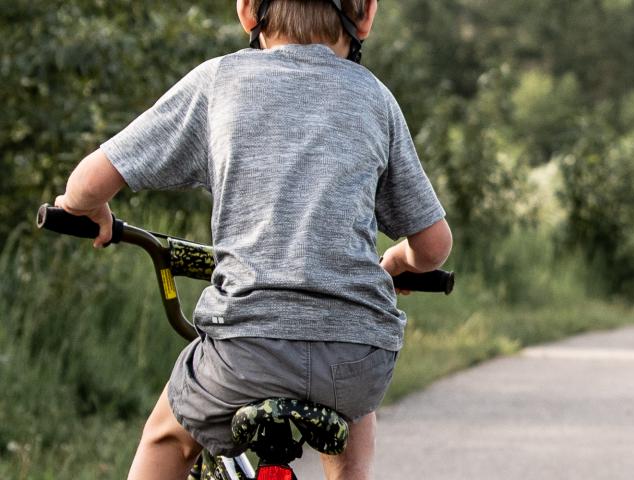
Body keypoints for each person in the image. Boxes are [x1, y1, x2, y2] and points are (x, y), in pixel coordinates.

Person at [52, 0, 450, 478]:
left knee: (166, 437)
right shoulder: (375, 99)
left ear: (247, 10)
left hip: (246, 350)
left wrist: (87, 209)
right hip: (355, 359)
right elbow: (433, 246)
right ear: (365, 14)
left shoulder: (220, 81)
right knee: (353, 415)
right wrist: (399, 261)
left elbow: (85, 183)